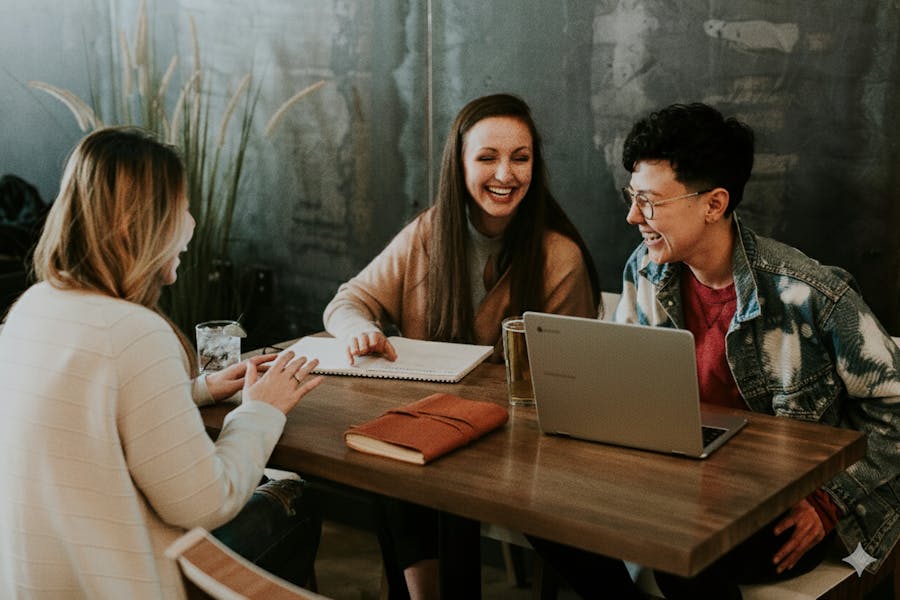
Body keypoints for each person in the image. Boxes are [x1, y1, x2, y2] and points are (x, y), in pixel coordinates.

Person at [532, 103, 900, 599]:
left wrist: (830, 501)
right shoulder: (645, 270)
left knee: (683, 548)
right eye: (632, 196)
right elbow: (627, 397)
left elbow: (893, 409)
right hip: (681, 485)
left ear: (714, 204)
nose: (632, 215)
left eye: (649, 201)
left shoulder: (809, 294)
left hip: (782, 503)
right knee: (541, 511)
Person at [0, 127, 325, 598]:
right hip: (118, 586)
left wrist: (196, 389)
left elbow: (80, 410)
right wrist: (262, 409)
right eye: (182, 206)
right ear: (140, 223)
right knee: (295, 497)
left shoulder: (32, 307)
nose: (191, 222)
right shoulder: (134, 332)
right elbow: (203, 503)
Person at [323, 93, 601, 598]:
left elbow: (568, 386)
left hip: (519, 446)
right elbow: (349, 300)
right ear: (460, 163)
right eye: (487, 157)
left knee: (420, 467)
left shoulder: (559, 257)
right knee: (391, 456)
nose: (506, 174)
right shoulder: (430, 232)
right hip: (435, 433)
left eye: (521, 158)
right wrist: (356, 330)